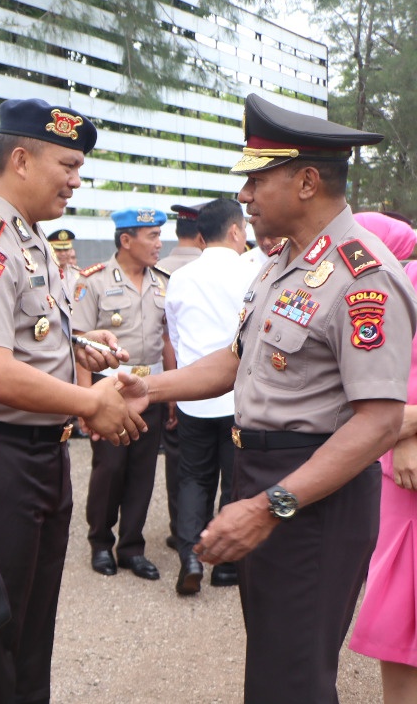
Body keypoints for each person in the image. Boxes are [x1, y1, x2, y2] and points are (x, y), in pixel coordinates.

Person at [120, 93, 417, 703]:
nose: (246, 196)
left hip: (312, 496)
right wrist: (145, 387)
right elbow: (236, 360)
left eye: (258, 178)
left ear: (306, 181)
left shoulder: (365, 276)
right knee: (275, 670)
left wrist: (267, 506)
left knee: (293, 682)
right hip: (269, 478)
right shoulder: (282, 261)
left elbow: (380, 422)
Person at [0, 98, 144, 703]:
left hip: (38, 455)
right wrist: (88, 403)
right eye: (69, 165)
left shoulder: (32, 241)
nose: (77, 181)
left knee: (31, 630)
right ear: (20, 159)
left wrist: (79, 342)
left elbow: (24, 337)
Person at [72, 208, 175, 581]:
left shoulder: (163, 281)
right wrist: (85, 401)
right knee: (110, 468)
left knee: (143, 472)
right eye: (152, 236)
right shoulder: (93, 282)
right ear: (126, 240)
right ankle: (101, 542)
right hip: (111, 390)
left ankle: (131, 547)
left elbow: (167, 340)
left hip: (151, 391)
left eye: (160, 236)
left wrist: (173, 395)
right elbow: (80, 344)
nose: (159, 243)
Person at [163, 198, 256, 594]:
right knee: (234, 480)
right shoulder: (256, 271)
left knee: (192, 477)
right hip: (239, 397)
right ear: (236, 231)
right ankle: (226, 563)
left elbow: (177, 338)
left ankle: (190, 554)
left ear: (201, 236)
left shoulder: (181, 277)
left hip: (194, 396)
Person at [348, 211, 417, 703]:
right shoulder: (381, 291)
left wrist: (405, 431)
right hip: (397, 480)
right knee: (397, 612)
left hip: (400, 466)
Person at [155, 200, 205, 551]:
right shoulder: (231, 268)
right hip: (218, 383)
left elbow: (164, 339)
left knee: (182, 464)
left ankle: (181, 531)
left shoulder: (155, 270)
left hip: (168, 382)